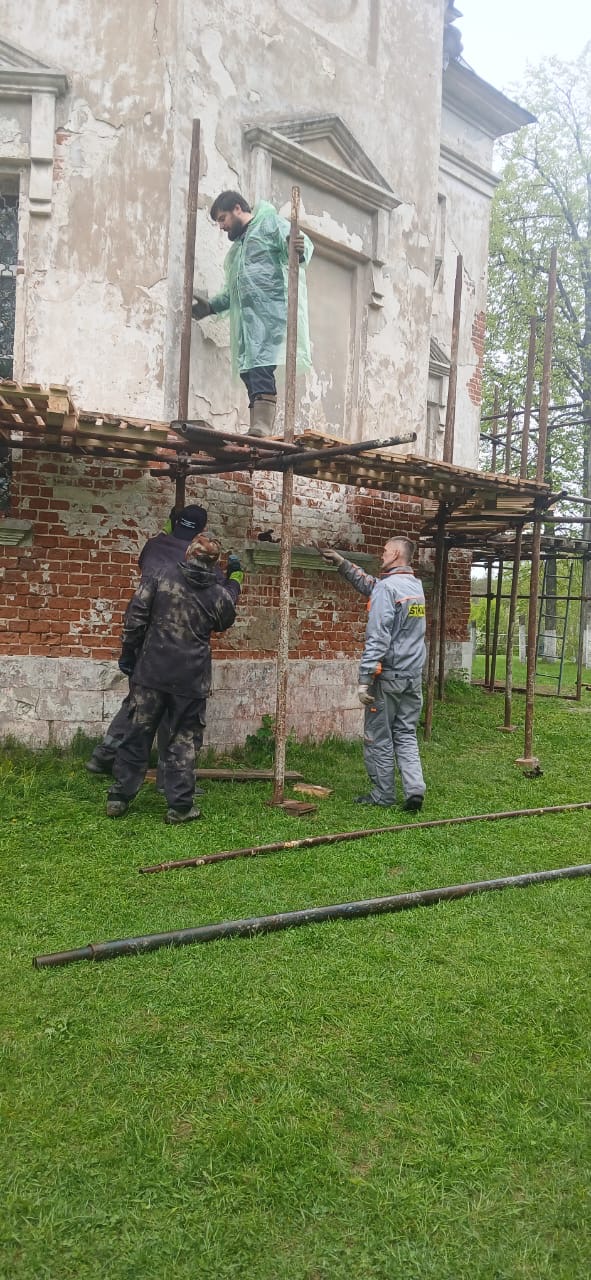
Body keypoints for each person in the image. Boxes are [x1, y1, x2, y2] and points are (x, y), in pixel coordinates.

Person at [86, 505, 240, 776]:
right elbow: (221, 601)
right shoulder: (201, 560)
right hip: (178, 647)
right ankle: (169, 777)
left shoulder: (153, 546)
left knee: (138, 702)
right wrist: (235, 578)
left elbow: (156, 546)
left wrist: (128, 650)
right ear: (202, 531)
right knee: (172, 711)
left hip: (145, 638)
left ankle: (106, 756)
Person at [106, 533, 239, 824]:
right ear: (214, 563)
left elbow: (135, 618)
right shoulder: (218, 594)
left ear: (188, 554)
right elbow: (225, 619)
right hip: (191, 679)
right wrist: (235, 582)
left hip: (151, 671)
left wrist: (128, 654)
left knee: (136, 735)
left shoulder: (160, 576)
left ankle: (119, 798)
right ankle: (179, 807)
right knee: (184, 741)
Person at [192, 190, 313, 437]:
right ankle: (256, 426)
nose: (222, 226)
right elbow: (233, 292)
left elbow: (296, 244)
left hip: (269, 315)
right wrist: (211, 307)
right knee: (249, 372)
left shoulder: (268, 223)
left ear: (238, 209)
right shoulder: (237, 252)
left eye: (223, 218)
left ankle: (262, 427)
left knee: (260, 369)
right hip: (247, 324)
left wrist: (300, 250)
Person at [321, 537, 427, 810]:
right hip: (412, 676)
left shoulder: (387, 588)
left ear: (395, 553)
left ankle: (383, 794)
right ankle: (415, 789)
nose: (381, 555)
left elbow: (378, 636)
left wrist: (364, 680)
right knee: (406, 732)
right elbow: (374, 587)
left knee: (378, 736)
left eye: (384, 551)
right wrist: (342, 563)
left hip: (389, 677)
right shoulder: (414, 586)